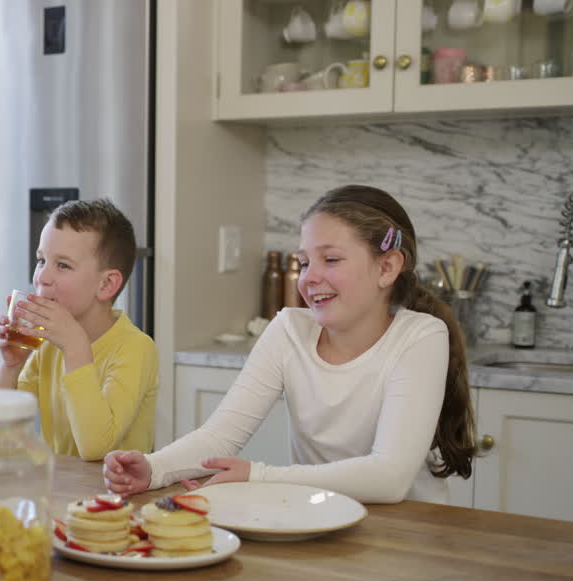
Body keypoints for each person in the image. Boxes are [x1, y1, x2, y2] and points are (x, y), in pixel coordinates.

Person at [103, 185, 476, 504]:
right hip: (321, 518)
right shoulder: (288, 330)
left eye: (330, 259)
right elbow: (220, 436)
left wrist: (259, 476)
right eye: (304, 261)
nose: (309, 278)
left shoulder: (421, 337)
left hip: (410, 531)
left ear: (387, 268)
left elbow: (389, 476)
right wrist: (153, 469)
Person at [0, 198, 158, 460]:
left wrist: (76, 348)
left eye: (62, 265)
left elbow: (95, 449)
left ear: (106, 285)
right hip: (62, 491)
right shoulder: (46, 345)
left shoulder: (135, 348)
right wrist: (11, 366)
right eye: (41, 260)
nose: (42, 277)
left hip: (117, 498)